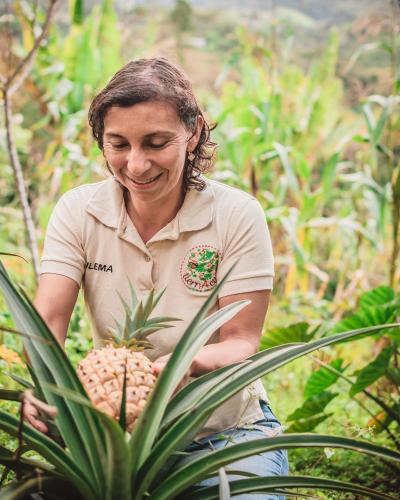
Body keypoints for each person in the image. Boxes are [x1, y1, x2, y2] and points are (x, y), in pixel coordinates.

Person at [25, 57, 289, 497]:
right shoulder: (78, 211)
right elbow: (46, 323)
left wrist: (186, 364)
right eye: (118, 144)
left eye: (156, 142)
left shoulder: (237, 215)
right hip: (112, 436)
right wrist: (44, 387)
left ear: (195, 132)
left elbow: (242, 341)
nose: (137, 165)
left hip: (221, 433)